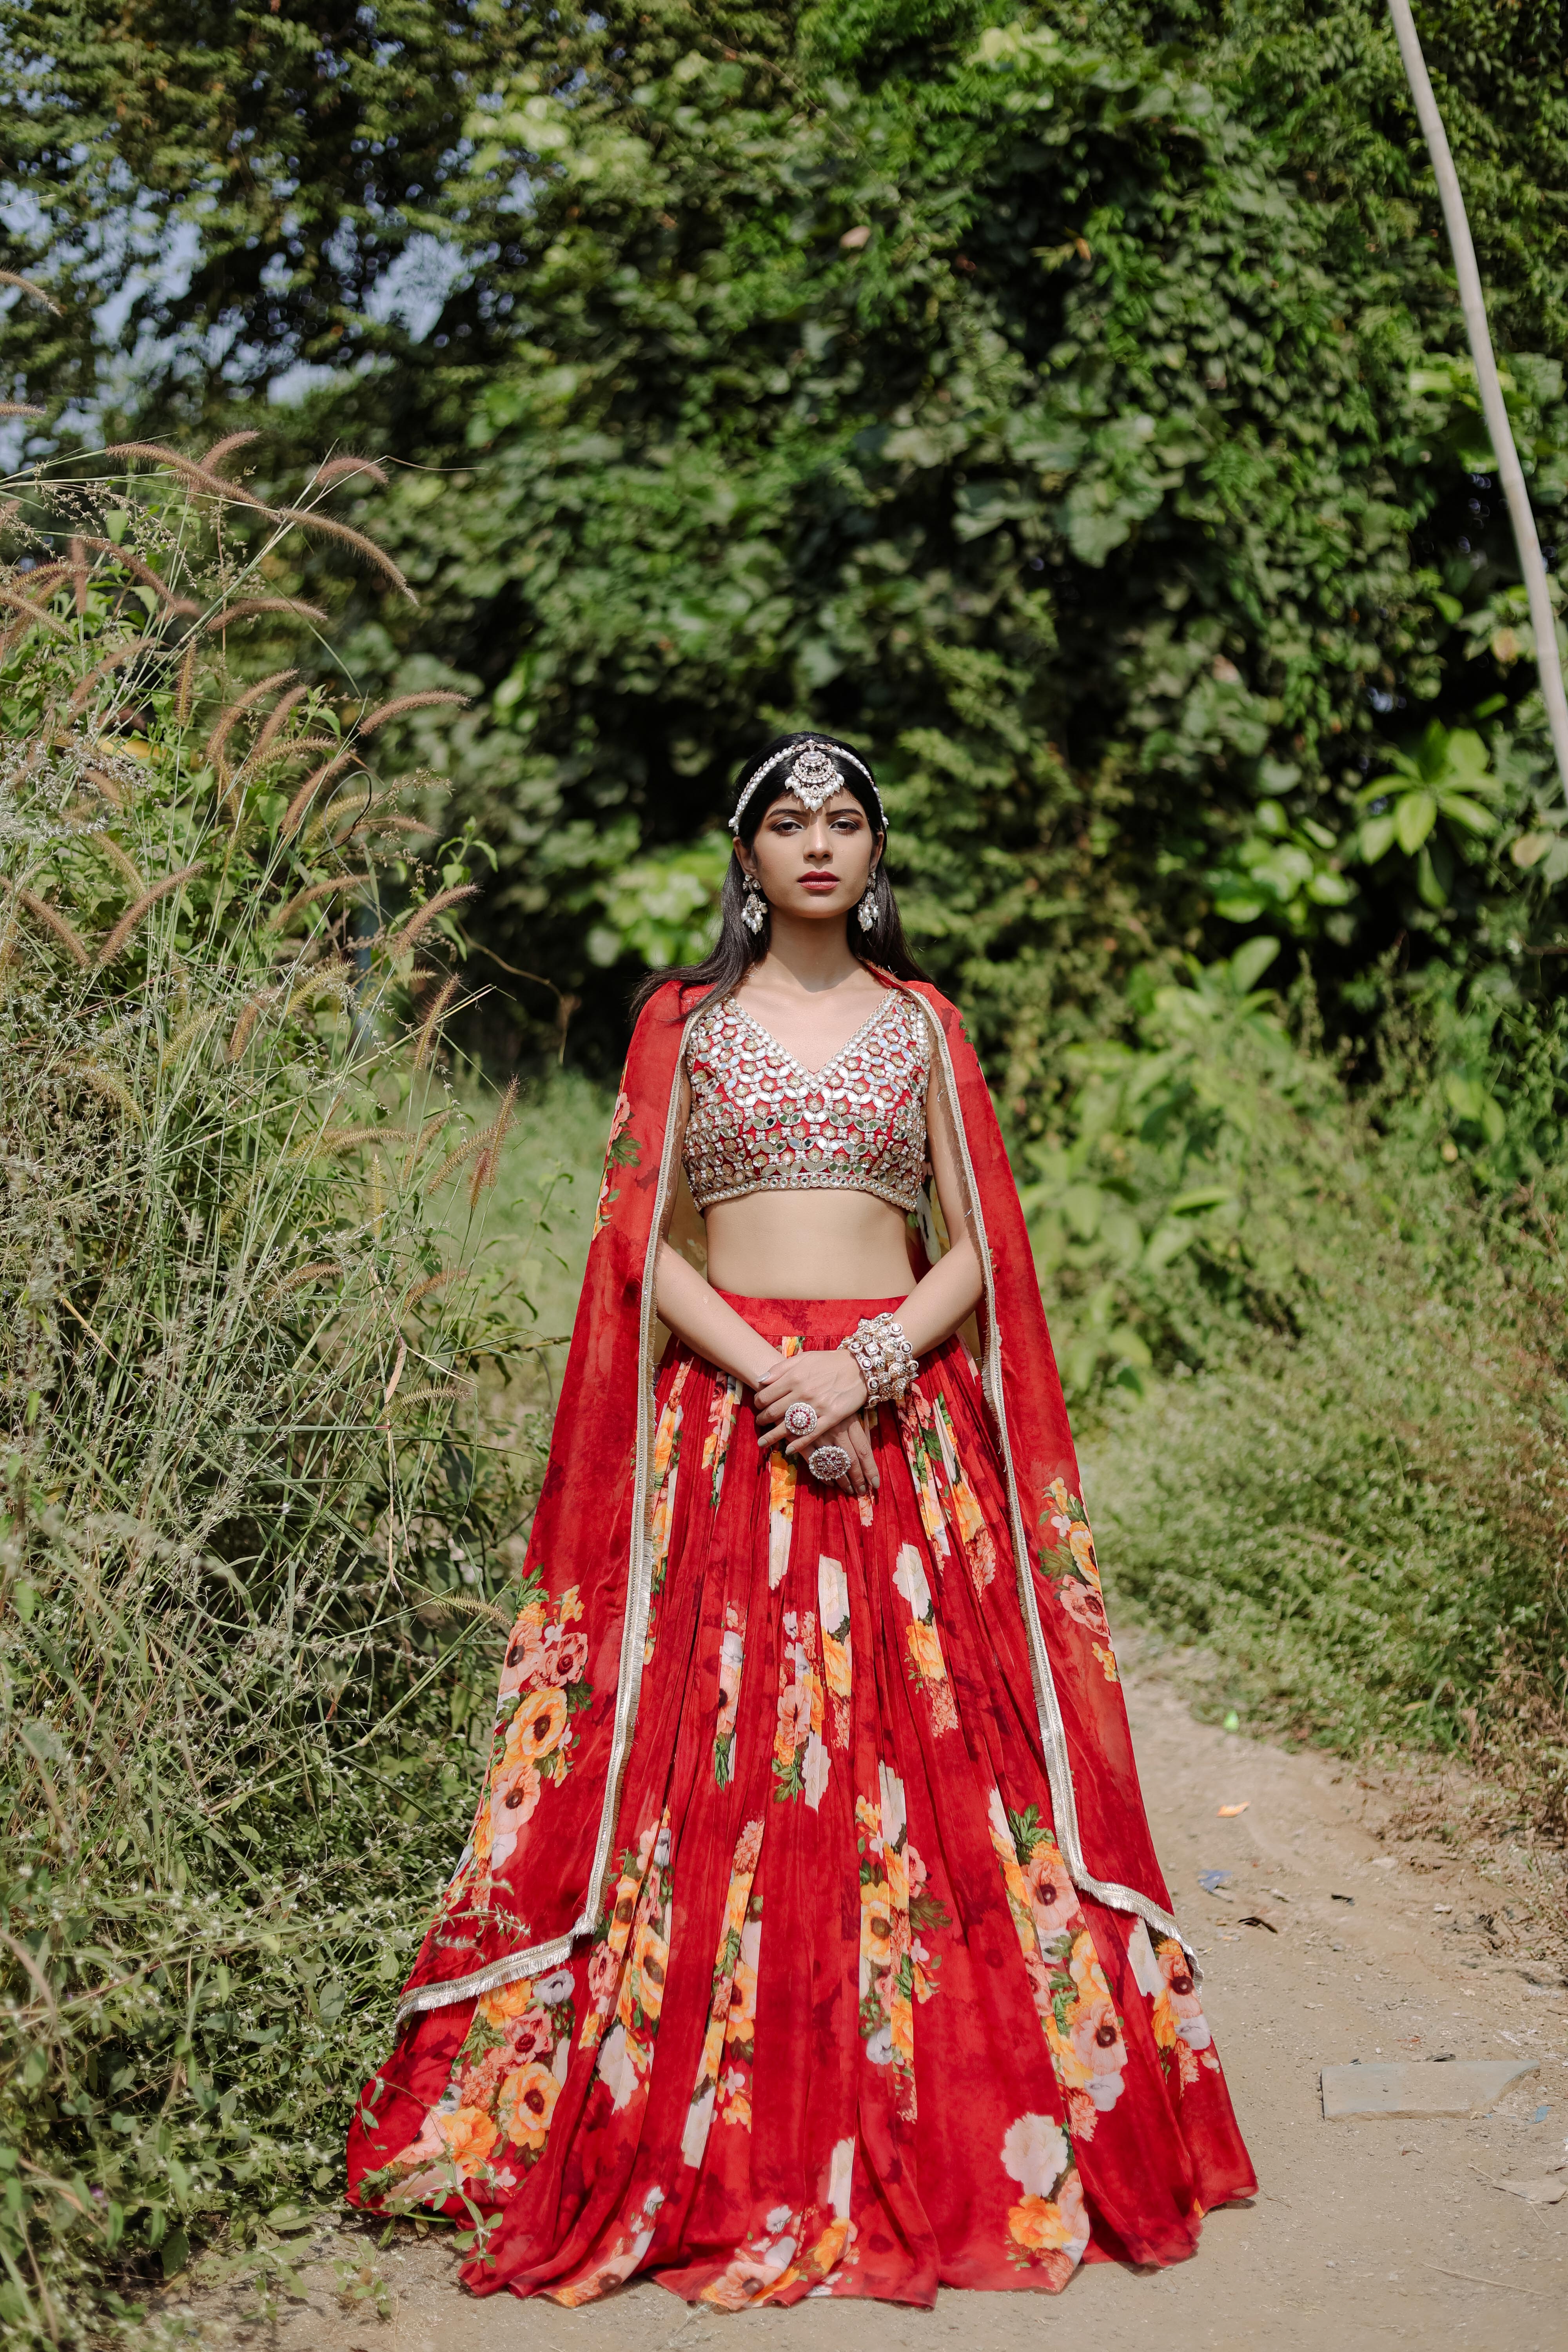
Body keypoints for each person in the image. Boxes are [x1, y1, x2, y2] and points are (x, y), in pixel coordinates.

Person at [345, 732, 1256, 2306]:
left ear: (874, 854)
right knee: (715, 1755)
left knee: (939, 1759)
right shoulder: (682, 1026)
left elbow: (976, 1244)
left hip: (901, 1428)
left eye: (843, 821)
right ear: (749, 858)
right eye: (788, 821)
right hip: (731, 1423)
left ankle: (952, 2109)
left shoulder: (924, 1027)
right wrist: (782, 1378)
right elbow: (644, 1240)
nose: (818, 843)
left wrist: (866, 1370)